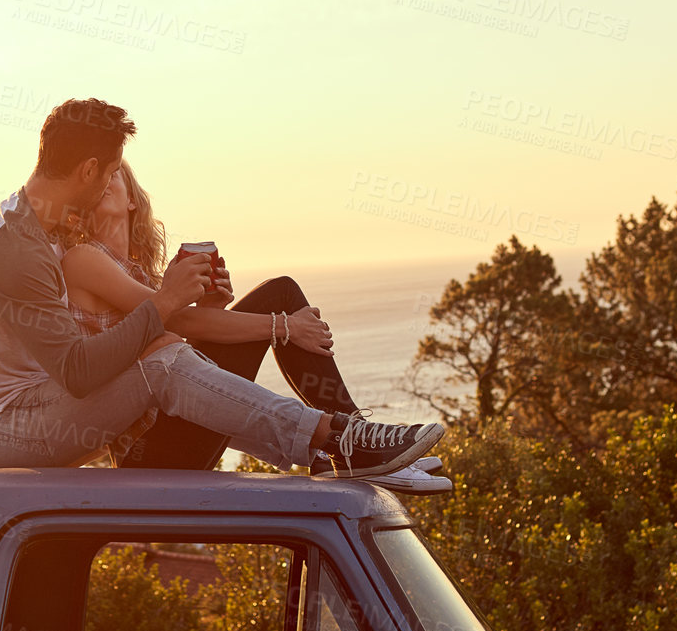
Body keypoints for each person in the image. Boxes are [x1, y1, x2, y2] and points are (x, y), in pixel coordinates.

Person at [0, 97, 443, 481]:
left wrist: (189, 306)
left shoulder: (43, 230)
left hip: (41, 408)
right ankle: (336, 438)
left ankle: (330, 443)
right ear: (89, 170)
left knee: (162, 348)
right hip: (4, 432)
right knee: (159, 358)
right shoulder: (18, 249)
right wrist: (164, 302)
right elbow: (77, 372)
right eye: (112, 172)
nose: (113, 186)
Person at [57, 159, 451, 493]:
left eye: (114, 173)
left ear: (132, 199)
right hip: (146, 452)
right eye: (97, 177)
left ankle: (353, 448)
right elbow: (177, 322)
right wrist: (285, 327)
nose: (105, 181)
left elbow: (183, 362)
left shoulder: (140, 274)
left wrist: (214, 306)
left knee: (279, 295)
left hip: (174, 431)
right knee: (279, 297)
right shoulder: (83, 259)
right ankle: (352, 442)